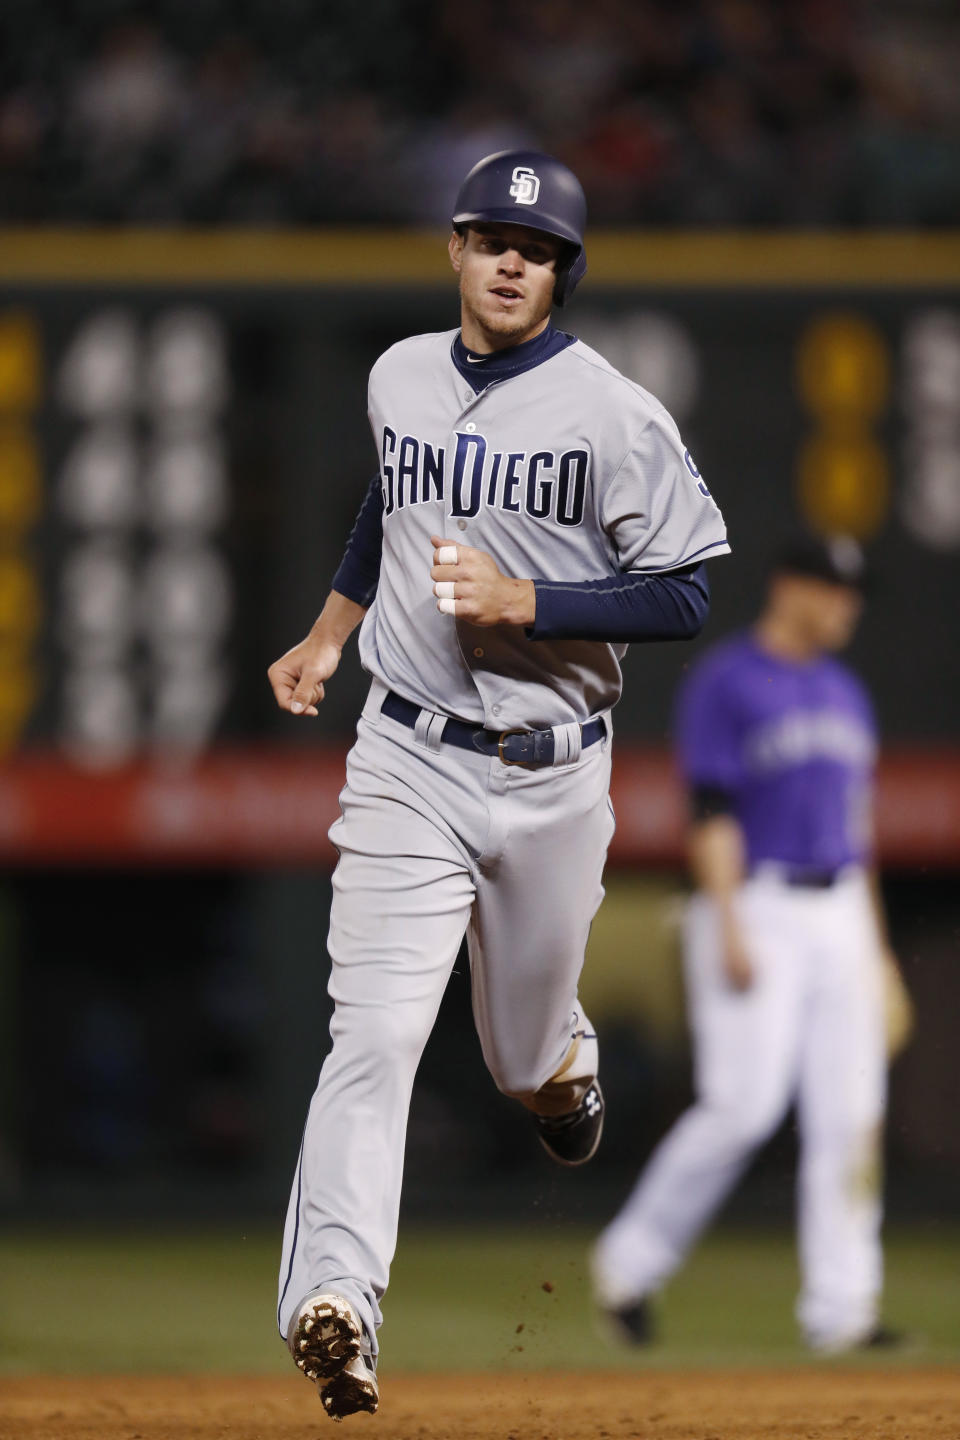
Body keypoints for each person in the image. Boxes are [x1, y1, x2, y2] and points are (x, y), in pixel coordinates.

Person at [267, 148, 729, 1419]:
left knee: (518, 1052)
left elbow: (688, 587)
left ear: (562, 272)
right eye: (489, 238)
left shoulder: (614, 413)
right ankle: (338, 1307)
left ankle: (559, 1059)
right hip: (407, 755)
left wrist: (538, 600)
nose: (512, 258)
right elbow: (389, 501)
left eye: (537, 247)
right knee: (372, 1035)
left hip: (553, 775)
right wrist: (329, 629)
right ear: (458, 254)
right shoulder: (398, 375)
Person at [592, 534, 909, 1354]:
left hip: (839, 907)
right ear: (788, 587)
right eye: (829, 587)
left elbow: (860, 830)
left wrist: (877, 955)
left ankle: (844, 1311)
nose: (844, 604)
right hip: (756, 902)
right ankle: (628, 1264)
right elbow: (710, 811)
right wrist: (727, 918)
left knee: (853, 1116)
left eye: (851, 591)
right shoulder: (729, 681)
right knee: (743, 1106)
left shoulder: (845, 691)